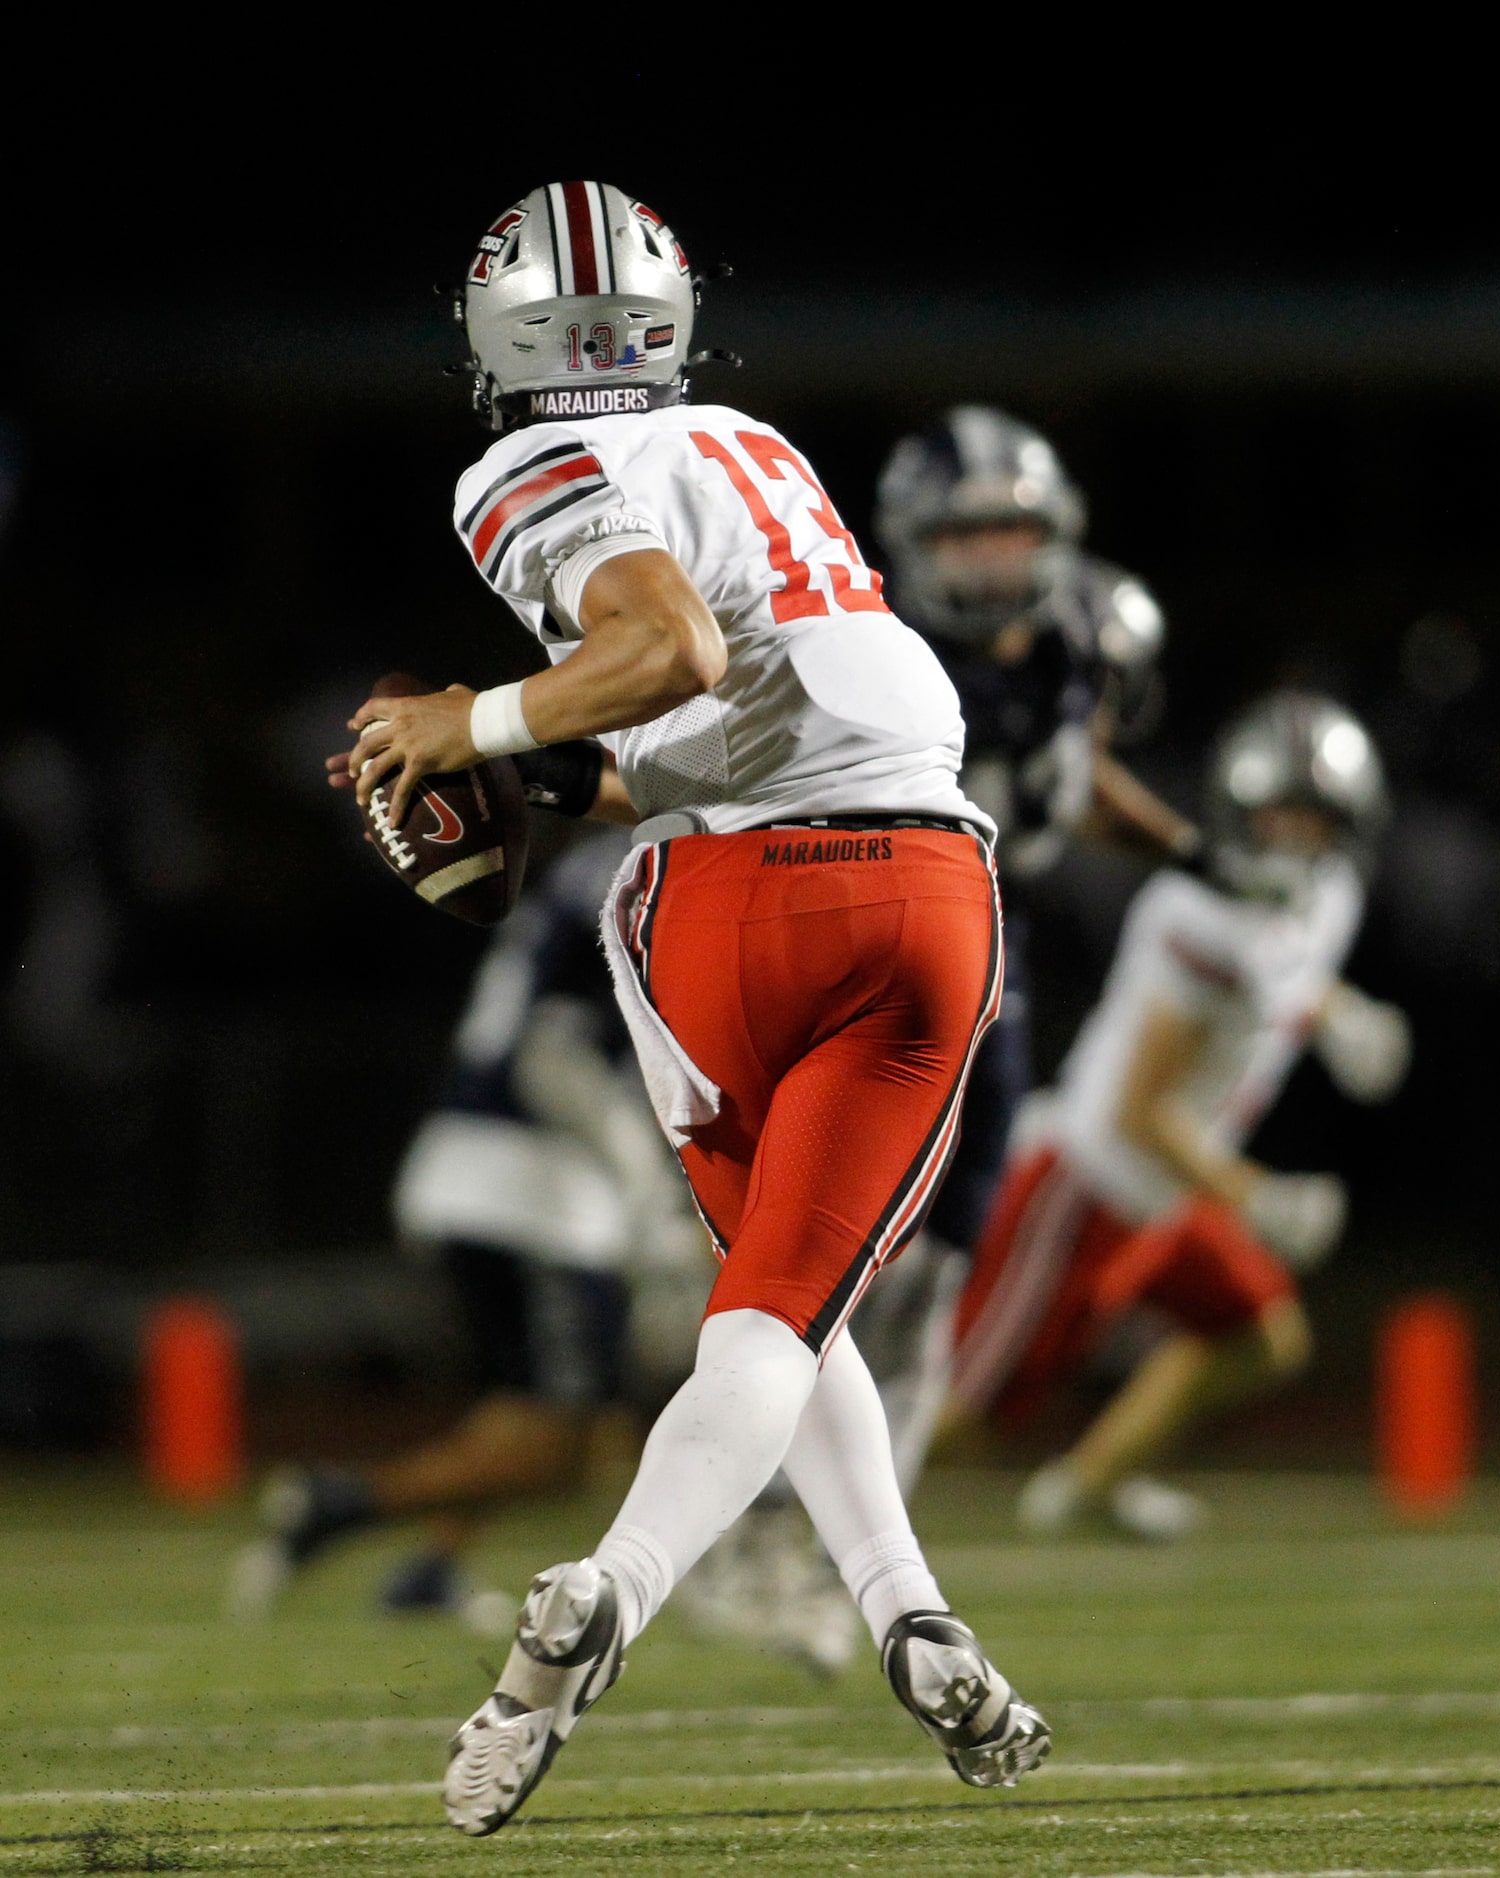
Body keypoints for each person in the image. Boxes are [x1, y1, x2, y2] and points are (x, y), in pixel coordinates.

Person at [332, 181, 1050, 1837]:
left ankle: (725, 1599)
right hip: (912, 891)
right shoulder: (746, 443)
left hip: (725, 912)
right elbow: (700, 676)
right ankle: (767, 1598)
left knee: (778, 1312)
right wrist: (499, 738)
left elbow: (668, 656)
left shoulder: (517, 466)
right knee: (785, 1312)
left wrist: (479, 722)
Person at [673, 410, 1197, 1665]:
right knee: (823, 1278)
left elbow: (1074, 771)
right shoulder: (869, 654)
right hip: (862, 979)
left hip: (983, 987)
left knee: (937, 1280)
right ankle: (746, 1529)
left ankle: (850, 1560)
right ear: (912, 541)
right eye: (966, 532)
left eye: (1012, 528)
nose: (993, 558)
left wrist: (1187, 846)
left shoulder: (1070, 643)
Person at [945, 691, 1411, 1537]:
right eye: (1278, 820)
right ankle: (775, 1511)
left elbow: (1282, 972)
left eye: (1315, 821)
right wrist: (1253, 1197)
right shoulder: (1195, 914)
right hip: (1087, 1185)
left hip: (1160, 1195)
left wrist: (1336, 1014)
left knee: (1260, 1336)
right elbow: (1138, 1114)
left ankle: (1086, 1487)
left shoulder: (1328, 893)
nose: (1296, 842)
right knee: (965, 1416)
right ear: (1238, 816)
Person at [227, 827, 710, 1631]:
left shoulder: (611, 863)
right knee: (564, 1437)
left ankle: (430, 1566)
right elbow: (553, 1052)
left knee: (532, 1408)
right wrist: (652, 1195)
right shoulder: (654, 866)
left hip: (494, 1169)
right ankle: (337, 1503)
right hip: (533, 1185)